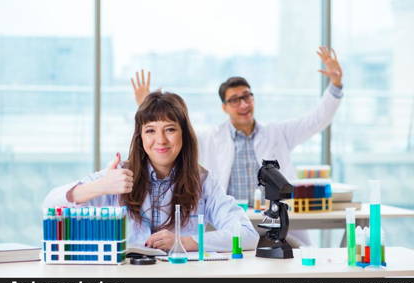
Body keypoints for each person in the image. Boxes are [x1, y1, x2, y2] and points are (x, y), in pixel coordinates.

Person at [131, 46, 343, 246]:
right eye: (234, 100)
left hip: (270, 219)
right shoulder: (211, 138)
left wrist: (335, 86)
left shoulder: (278, 133)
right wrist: (147, 107)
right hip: (230, 220)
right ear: (224, 107)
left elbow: (316, 120)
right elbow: (169, 140)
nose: (243, 104)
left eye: (247, 96)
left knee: (289, 253)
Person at [44, 92, 259, 252]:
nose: (161, 140)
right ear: (140, 137)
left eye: (170, 129)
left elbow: (248, 235)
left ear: (184, 134)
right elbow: (50, 205)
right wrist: (100, 187)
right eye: (150, 130)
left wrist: (185, 242)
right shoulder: (119, 176)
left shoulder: (201, 180)